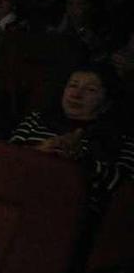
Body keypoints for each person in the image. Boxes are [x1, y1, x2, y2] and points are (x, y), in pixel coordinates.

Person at [9, 64, 134, 208]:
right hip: (20, 200)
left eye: (90, 90)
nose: (76, 95)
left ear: (107, 102)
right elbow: (6, 161)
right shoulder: (36, 120)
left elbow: (124, 191)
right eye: (73, 86)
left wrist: (82, 160)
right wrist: (39, 152)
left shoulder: (122, 140)